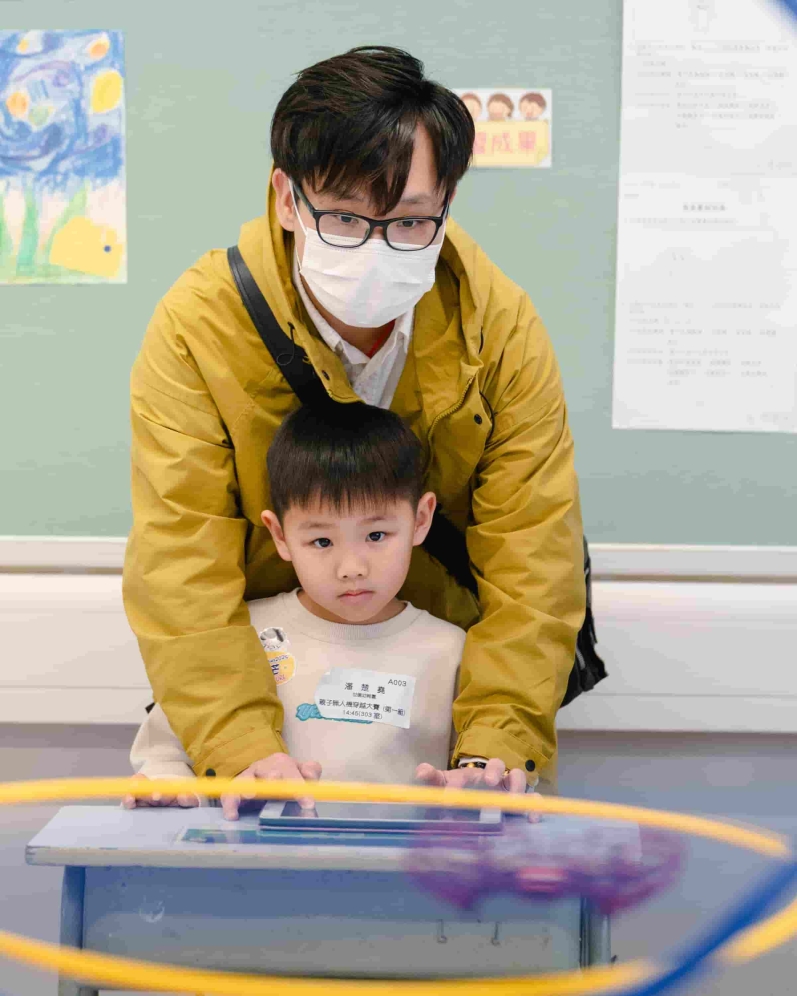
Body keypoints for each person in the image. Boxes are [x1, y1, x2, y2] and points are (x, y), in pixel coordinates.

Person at [122, 46, 585, 807]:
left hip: (437, 690)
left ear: (446, 204)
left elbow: (534, 553)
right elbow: (181, 557)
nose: (376, 244)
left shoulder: (498, 326)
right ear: (286, 197)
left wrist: (494, 746)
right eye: (343, 217)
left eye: (409, 221)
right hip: (262, 674)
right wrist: (240, 745)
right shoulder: (199, 326)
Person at [123, 404, 526, 817]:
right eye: (322, 542)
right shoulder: (239, 634)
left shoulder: (453, 650)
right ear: (280, 535)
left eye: (376, 535)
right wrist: (166, 783)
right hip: (254, 856)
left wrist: (483, 786)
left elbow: (483, 772)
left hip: (404, 858)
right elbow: (168, 751)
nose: (351, 568)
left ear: (421, 519)